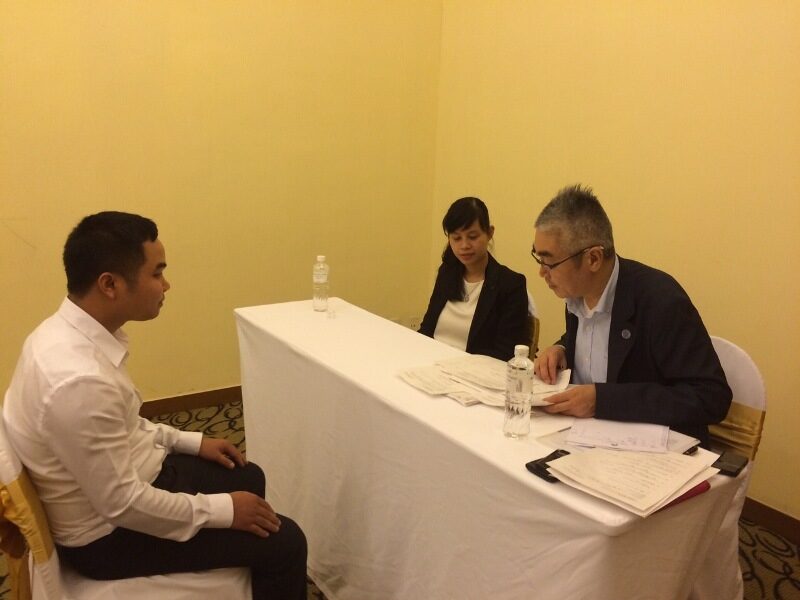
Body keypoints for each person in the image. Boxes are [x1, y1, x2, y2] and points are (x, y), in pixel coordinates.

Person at [2, 212, 307, 598]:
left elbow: (125, 426)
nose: (166, 285)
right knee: (286, 543)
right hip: (107, 538)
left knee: (247, 475)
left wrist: (192, 442)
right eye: (157, 273)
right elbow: (123, 504)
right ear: (110, 284)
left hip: (129, 482)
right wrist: (225, 511)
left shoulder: (65, 333)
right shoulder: (78, 381)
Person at [532, 185, 731, 446]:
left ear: (593, 259)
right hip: (584, 439)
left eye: (550, 262)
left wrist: (602, 400)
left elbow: (711, 397)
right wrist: (561, 349)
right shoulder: (577, 293)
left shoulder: (661, 301)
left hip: (651, 451)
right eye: (539, 259)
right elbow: (599, 341)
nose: (542, 272)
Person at [419, 197, 530, 361]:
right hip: (430, 361)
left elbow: (505, 353)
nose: (464, 246)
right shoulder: (447, 272)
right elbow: (427, 329)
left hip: (473, 371)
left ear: (489, 233)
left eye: (472, 236)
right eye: (456, 238)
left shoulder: (510, 285)